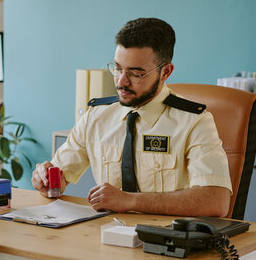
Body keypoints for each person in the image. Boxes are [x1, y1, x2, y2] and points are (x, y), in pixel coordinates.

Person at [32, 18, 231, 217]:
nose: (121, 81)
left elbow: (216, 201)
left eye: (136, 74)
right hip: (106, 235)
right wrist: (45, 180)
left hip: (166, 240)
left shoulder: (195, 122)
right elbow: (59, 177)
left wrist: (129, 200)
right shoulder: (97, 116)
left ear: (165, 72)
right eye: (118, 68)